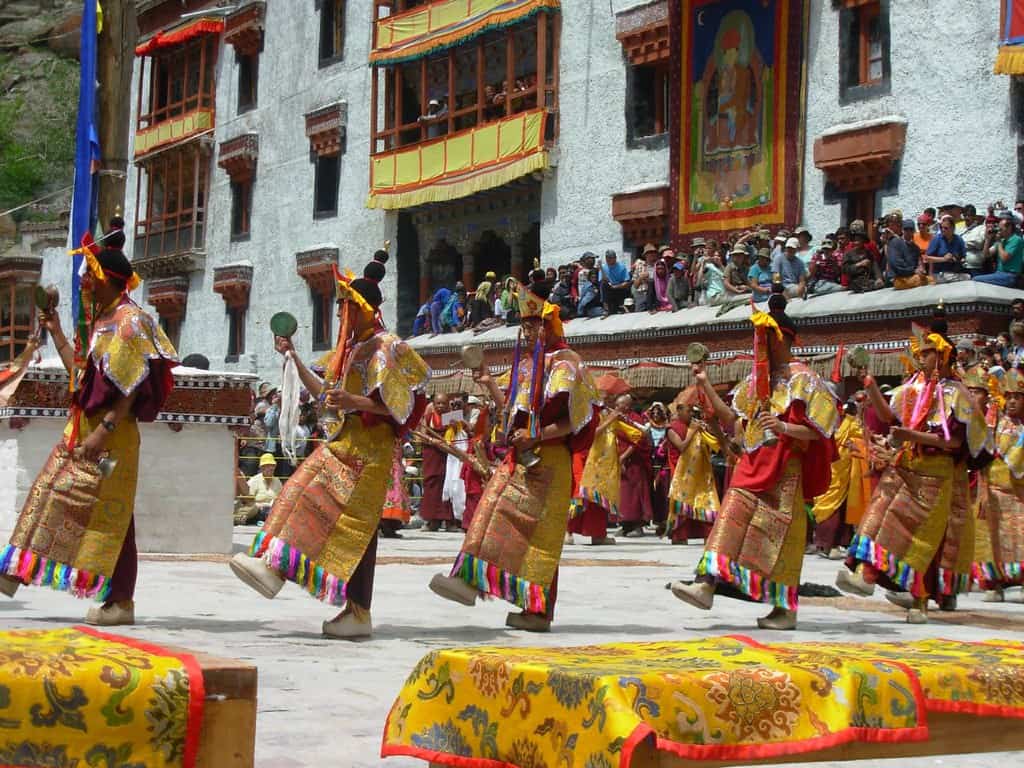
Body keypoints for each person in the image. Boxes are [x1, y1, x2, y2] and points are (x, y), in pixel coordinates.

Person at [229, 256, 430, 639]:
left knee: (332, 514)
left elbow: (403, 406)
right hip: (345, 444)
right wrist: (294, 358)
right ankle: (278, 570)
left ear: (360, 307)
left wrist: (356, 403)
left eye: (344, 305)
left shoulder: (388, 348)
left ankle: (332, 598)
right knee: (300, 493)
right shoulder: (353, 349)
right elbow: (327, 394)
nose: (340, 313)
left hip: (369, 454)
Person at [0, 217, 179, 626]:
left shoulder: (132, 322)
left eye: (89, 276)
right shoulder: (101, 323)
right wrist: (58, 332)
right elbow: (82, 376)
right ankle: (19, 569)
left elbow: (132, 388)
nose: (83, 283)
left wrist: (103, 432)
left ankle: (117, 600)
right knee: (55, 490)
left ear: (106, 278)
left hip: (112, 441)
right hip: (84, 429)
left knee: (111, 514)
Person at [428, 285, 599, 632]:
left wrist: (538, 435)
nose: (528, 331)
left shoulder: (567, 363)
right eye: (524, 325)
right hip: (520, 458)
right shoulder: (526, 364)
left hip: (550, 460)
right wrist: (489, 383)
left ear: (550, 324)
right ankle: (469, 580)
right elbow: (511, 411)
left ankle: (537, 612)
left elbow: (575, 420)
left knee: (541, 541)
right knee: (490, 511)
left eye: (535, 324)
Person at [671, 290, 838, 630]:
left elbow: (822, 431)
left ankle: (784, 610)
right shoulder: (756, 379)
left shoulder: (804, 379)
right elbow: (733, 419)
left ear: (780, 339)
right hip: (753, 464)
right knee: (730, 515)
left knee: (780, 540)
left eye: (763, 338)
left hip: (786, 471)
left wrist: (784, 425)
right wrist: (705, 385)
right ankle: (707, 584)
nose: (758, 345)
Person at [836, 317, 987, 624]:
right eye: (921, 351)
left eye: (928, 351)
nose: (921, 355)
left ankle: (919, 601)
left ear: (943, 354)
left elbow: (954, 441)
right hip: (905, 466)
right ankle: (865, 574)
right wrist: (870, 383)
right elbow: (888, 416)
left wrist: (910, 436)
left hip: (936, 474)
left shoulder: (956, 393)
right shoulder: (913, 388)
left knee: (921, 540)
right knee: (878, 519)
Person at [974, 368, 1024, 601]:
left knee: (1018, 538)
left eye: (1018, 397)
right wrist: (983, 490)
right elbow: (984, 459)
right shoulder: (994, 424)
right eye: (1009, 396)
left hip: (1019, 494)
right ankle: (994, 584)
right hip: (993, 490)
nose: (1012, 401)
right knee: (991, 538)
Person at [810, 400, 870, 559]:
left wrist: (854, 445)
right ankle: (824, 544)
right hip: (830, 469)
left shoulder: (850, 425)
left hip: (842, 471)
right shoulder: (825, 423)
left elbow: (860, 442)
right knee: (827, 504)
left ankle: (833, 544)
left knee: (838, 507)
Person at [666, 401, 722, 546]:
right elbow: (681, 446)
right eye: (688, 410)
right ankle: (680, 535)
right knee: (683, 501)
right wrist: (693, 431)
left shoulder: (696, 425)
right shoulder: (672, 428)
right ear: (679, 411)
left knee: (704, 500)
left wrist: (707, 429)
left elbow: (714, 444)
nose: (691, 414)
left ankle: (706, 534)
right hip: (682, 472)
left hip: (700, 471)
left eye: (692, 411)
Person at [615, 394, 654, 536]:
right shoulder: (617, 418)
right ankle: (625, 525)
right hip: (619, 460)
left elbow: (637, 441)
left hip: (634, 462)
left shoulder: (635, 420)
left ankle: (638, 526)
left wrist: (623, 457)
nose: (616, 407)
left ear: (626, 406)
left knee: (636, 494)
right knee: (623, 494)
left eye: (618, 405)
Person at [419, 393, 458, 531]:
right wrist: (432, 441)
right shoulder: (428, 417)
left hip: (449, 455)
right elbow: (422, 435)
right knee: (432, 484)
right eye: (438, 404)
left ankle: (450, 521)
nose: (441, 406)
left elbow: (460, 434)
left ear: (449, 404)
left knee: (450, 485)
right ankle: (432, 520)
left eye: (444, 403)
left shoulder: (453, 416)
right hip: (432, 453)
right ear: (433, 404)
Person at [976, 212, 1024, 288]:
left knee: (976, 279)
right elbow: (986, 255)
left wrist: (998, 242)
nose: (999, 231)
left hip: (1010, 275)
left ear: (1009, 228)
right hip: (999, 273)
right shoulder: (1002, 241)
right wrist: (987, 240)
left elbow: (1004, 258)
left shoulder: (1016, 240)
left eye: (1001, 229)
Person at [924, 215, 968, 282]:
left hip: (955, 271)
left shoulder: (959, 239)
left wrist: (957, 259)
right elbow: (927, 258)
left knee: (967, 277)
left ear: (953, 228)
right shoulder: (937, 239)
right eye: (941, 228)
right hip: (940, 273)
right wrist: (944, 259)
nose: (943, 230)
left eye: (946, 228)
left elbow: (963, 257)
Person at [248, 453, 283, 523]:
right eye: (267, 466)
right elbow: (248, 501)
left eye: (272, 466)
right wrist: (261, 506)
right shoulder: (254, 480)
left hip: (272, 512)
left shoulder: (277, 481)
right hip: (256, 513)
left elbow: (280, 500)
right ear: (261, 468)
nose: (271, 468)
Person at [600, 250, 631, 314]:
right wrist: (600, 267)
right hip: (609, 288)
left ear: (615, 258)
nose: (609, 259)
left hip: (620, 288)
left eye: (611, 258)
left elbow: (627, 281)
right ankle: (606, 308)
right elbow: (602, 280)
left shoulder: (622, 267)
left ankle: (621, 305)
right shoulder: (603, 267)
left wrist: (616, 286)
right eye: (607, 258)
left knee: (624, 287)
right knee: (603, 284)